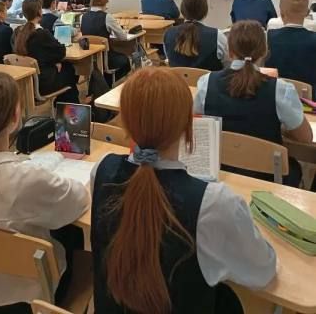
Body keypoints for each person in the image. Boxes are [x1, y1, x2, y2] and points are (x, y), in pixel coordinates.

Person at [91, 67, 276, 314]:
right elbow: (262, 272)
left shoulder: (101, 171)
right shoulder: (215, 203)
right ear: (189, 126)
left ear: (125, 122)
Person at [0, 72, 89, 313]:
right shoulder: (26, 179)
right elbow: (80, 200)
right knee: (73, 234)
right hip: (35, 297)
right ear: (15, 117)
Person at [194, 20, 312, 186]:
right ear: (265, 51)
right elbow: (306, 137)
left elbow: (197, 125)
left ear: (229, 51)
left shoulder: (206, 83)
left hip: (221, 173)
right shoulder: (280, 89)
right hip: (268, 178)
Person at [14, 0, 79, 103]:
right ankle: (68, 105)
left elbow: (38, 54)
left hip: (27, 81)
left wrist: (54, 62)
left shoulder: (18, 32)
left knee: (65, 70)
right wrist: (55, 62)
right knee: (70, 69)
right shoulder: (41, 33)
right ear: (39, 12)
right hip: (43, 83)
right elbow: (61, 51)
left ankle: (64, 104)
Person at [266, 0, 316, 99]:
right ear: (307, 13)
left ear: (281, 13)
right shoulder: (314, 39)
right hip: (309, 100)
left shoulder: (270, 37)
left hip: (276, 99)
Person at [164, 0, 228, 71]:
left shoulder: (168, 34)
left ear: (183, 9)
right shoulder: (218, 37)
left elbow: (169, 59)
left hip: (179, 79)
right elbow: (228, 67)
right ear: (205, 10)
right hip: (209, 79)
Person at [80, 0, 131, 85]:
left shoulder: (83, 17)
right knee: (126, 61)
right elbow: (123, 37)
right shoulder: (107, 17)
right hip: (105, 58)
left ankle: (101, 82)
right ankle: (107, 82)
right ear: (105, 2)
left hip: (88, 59)